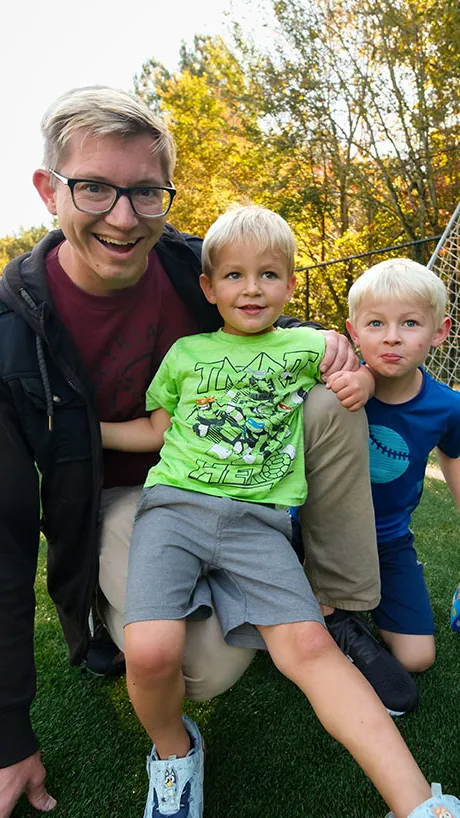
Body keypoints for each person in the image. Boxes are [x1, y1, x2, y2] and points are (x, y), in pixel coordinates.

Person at [0, 85, 411, 818]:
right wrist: (6, 729)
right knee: (193, 666)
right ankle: (174, 734)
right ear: (49, 191)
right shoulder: (11, 333)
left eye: (145, 193)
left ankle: (337, 606)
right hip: (134, 498)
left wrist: (338, 350)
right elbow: (3, 531)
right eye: (95, 188)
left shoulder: (195, 269)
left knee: (332, 396)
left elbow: (266, 323)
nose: (124, 218)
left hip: (248, 495)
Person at [101, 206, 458, 818]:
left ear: (290, 286)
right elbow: (157, 430)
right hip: (172, 513)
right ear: (209, 288)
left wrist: (362, 383)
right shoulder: (186, 354)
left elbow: (357, 374)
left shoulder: (311, 345)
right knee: (151, 650)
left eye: (268, 274)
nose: (251, 288)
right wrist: (82, 430)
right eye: (234, 276)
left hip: (258, 524)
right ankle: (174, 753)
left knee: (309, 649)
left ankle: (422, 804)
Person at [328, 258, 460, 672]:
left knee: (417, 658)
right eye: (375, 324)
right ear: (353, 331)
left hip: (388, 541)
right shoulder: (331, 386)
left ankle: (344, 610)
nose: (391, 338)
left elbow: (453, 461)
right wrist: (363, 378)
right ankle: (333, 612)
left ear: (440, 331)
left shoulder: (446, 407)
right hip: (318, 536)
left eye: (409, 323)